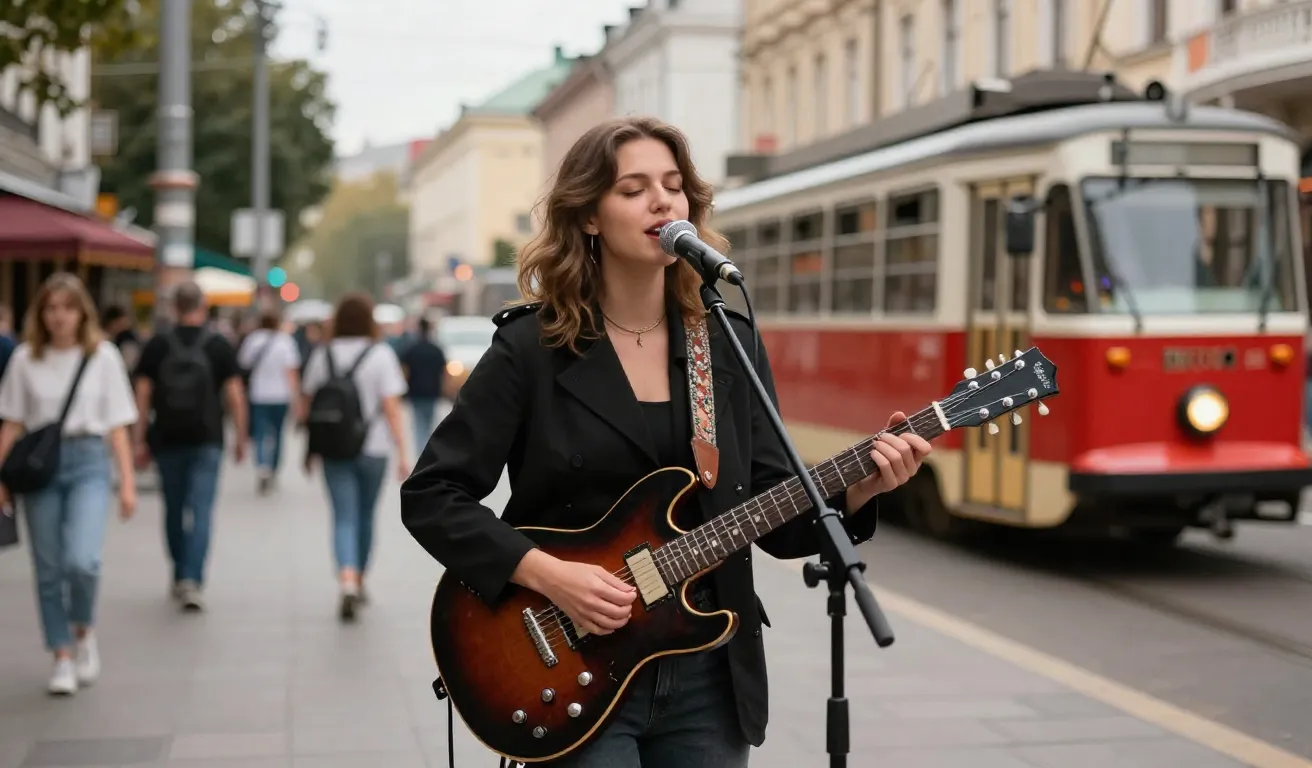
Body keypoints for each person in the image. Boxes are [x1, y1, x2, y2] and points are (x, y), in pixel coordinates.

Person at [400, 116, 931, 767]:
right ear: (589, 216)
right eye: (635, 188)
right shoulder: (531, 350)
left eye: (675, 186)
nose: (663, 202)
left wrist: (857, 488)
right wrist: (551, 576)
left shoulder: (725, 342)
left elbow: (766, 511)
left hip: (707, 669)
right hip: (571, 668)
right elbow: (432, 495)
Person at [0, 272, 138, 695]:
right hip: (41, 466)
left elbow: (118, 426)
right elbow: (12, 422)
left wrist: (128, 482)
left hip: (89, 461)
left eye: (67, 308)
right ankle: (60, 653)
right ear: (41, 314)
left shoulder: (104, 357)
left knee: (83, 560)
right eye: (51, 308)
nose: (59, 317)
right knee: (47, 567)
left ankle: (84, 630)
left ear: (83, 313)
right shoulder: (26, 359)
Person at [132, 281, 248, 612]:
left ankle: (179, 568)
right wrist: (241, 436)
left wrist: (138, 439)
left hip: (167, 439)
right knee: (201, 510)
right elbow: (235, 395)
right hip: (207, 439)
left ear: (174, 307)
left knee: (173, 508)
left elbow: (142, 395)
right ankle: (192, 579)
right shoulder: (218, 345)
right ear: (203, 305)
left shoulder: (157, 345)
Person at [295, 293, 411, 621]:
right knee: (365, 515)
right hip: (373, 448)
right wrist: (403, 452)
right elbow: (391, 408)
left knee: (343, 515)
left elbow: (308, 406)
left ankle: (345, 577)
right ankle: (359, 577)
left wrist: (309, 449)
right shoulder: (381, 355)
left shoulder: (323, 355)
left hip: (333, 449)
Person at [237, 310, 301, 493]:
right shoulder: (285, 341)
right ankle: (273, 468)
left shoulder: (253, 340)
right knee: (278, 433)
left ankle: (262, 465)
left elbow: (243, 364)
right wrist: (296, 398)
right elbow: (292, 372)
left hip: (259, 394)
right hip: (281, 395)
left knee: (260, 432)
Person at [398, 316, 448, 452]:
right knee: (429, 422)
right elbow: (444, 372)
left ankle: (421, 451)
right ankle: (427, 450)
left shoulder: (411, 349)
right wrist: (443, 389)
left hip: (416, 392)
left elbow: (405, 371)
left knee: (418, 423)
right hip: (432, 391)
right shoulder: (436, 349)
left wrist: (403, 390)